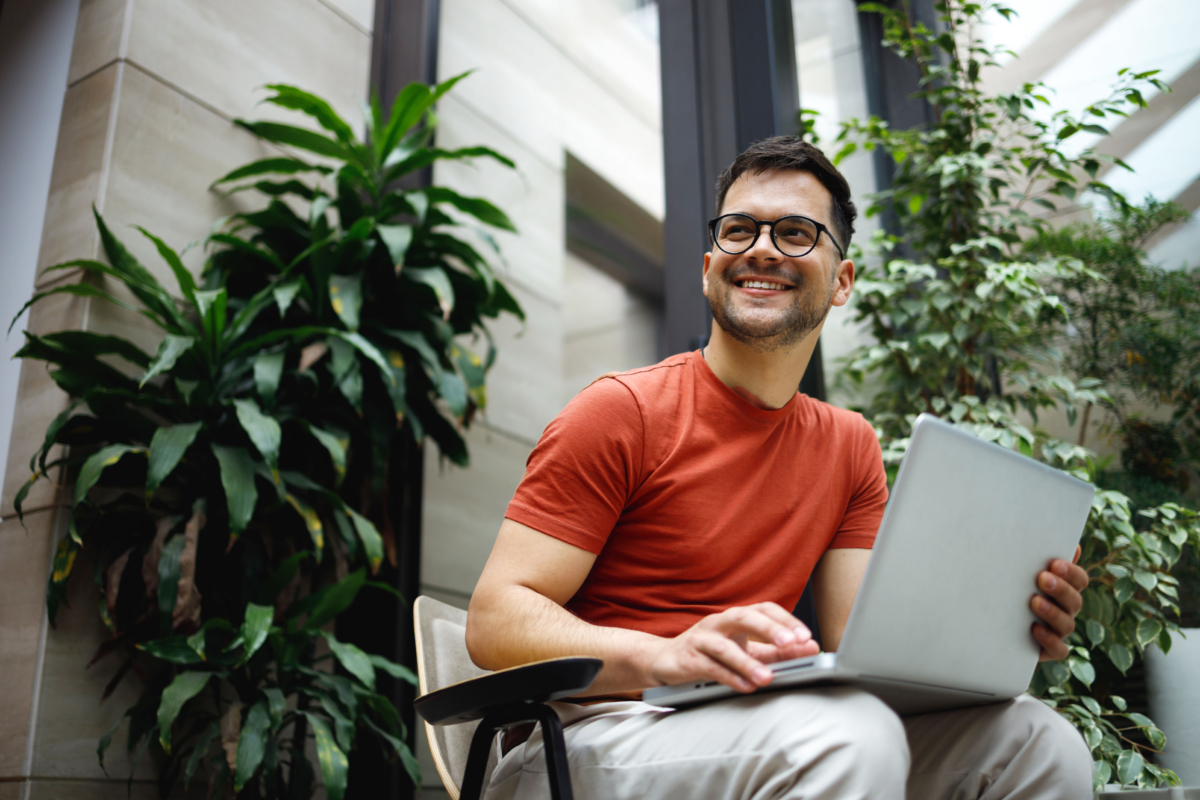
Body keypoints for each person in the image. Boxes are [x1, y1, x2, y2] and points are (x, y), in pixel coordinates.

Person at [466, 136, 1093, 799]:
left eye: (796, 233)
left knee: (1037, 742)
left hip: (751, 727)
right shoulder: (623, 410)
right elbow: (495, 619)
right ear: (710, 269)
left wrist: (999, 631)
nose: (762, 248)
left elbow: (865, 653)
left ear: (843, 281)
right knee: (845, 736)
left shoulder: (849, 446)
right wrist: (663, 656)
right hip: (584, 737)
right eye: (739, 231)